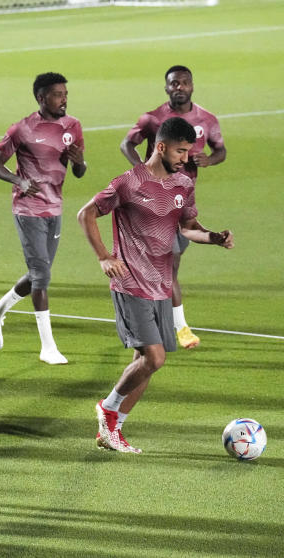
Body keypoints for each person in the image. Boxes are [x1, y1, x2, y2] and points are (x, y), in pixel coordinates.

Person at [78, 116, 233, 453]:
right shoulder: (128, 183)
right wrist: (104, 256)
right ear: (160, 147)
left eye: (188, 152)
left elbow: (187, 227)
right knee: (154, 358)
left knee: (145, 364)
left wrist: (214, 237)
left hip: (161, 286)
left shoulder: (183, 185)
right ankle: (107, 408)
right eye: (180, 151)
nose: (185, 158)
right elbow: (85, 214)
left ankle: (114, 429)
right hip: (130, 282)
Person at [0, 72, 87, 364]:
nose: (64, 99)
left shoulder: (72, 126)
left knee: (39, 274)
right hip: (28, 211)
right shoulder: (23, 129)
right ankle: (47, 347)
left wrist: (80, 163)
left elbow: (79, 172)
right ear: (41, 98)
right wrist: (19, 181)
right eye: (57, 94)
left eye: (65, 93)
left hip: (55, 209)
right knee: (42, 276)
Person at [120, 65, 226, 349]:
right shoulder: (153, 119)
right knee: (169, 261)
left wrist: (209, 160)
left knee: (166, 265)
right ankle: (179, 327)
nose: (179, 87)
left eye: (184, 83)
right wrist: (144, 173)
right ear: (166, 87)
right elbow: (126, 144)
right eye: (174, 83)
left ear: (192, 85)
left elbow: (220, 149)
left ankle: (155, 320)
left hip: (183, 199)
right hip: (154, 202)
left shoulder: (207, 119)